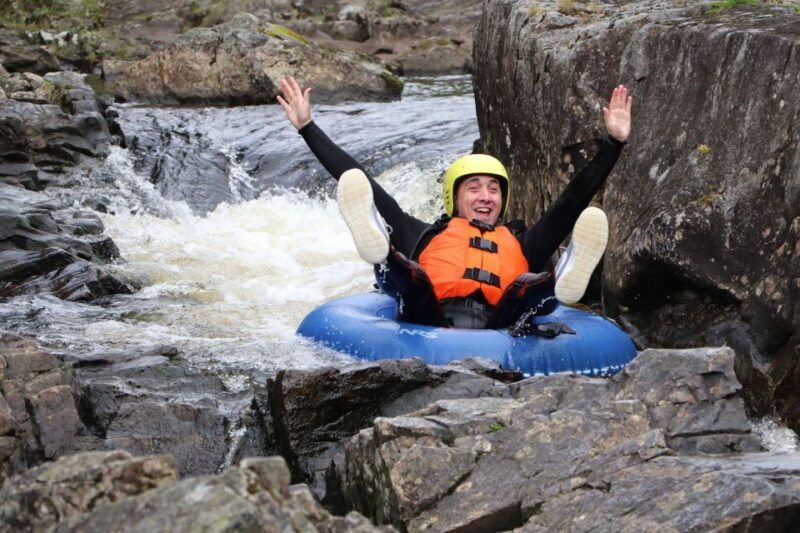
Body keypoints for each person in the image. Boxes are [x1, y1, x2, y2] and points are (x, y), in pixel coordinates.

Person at [278, 77, 632, 330]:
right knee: (412, 280)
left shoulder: (524, 243)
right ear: (454, 198)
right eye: (474, 188)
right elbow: (363, 183)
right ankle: (380, 248)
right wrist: (308, 128)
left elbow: (571, 202)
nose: (486, 196)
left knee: (529, 291)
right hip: (430, 318)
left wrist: (613, 144)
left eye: (494, 189)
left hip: (502, 323)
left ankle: (565, 273)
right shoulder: (425, 235)